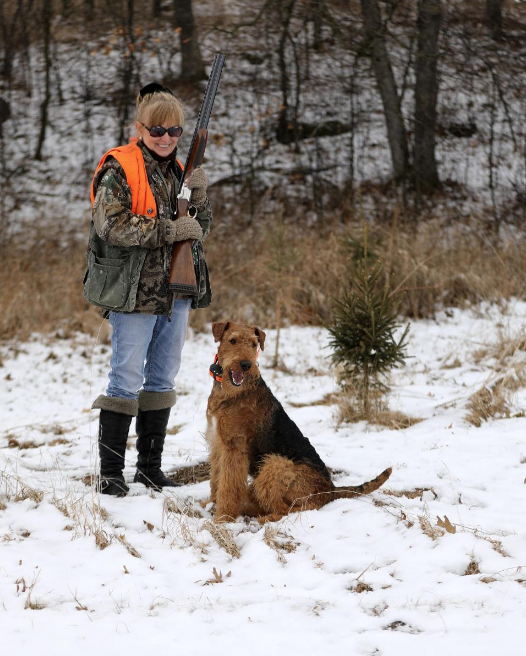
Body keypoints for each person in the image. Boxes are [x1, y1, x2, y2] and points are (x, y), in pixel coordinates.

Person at [84, 82, 212, 496]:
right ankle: (110, 475)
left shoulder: (180, 172)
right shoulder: (120, 167)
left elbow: (197, 232)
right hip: (135, 292)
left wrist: (201, 202)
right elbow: (110, 224)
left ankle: (150, 469)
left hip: (175, 289)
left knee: (162, 377)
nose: (165, 138)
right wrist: (168, 229)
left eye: (173, 131)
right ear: (139, 128)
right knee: (124, 379)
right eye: (156, 130)